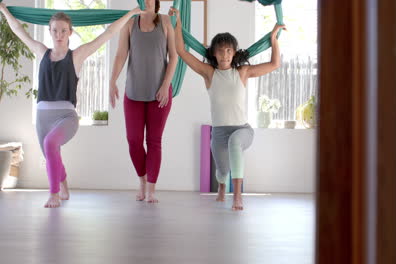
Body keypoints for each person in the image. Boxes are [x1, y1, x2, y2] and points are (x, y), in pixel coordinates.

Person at [0, 2, 142, 208]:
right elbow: (18, 31)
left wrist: (132, 13)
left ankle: (54, 194)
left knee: (50, 145)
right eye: (55, 30)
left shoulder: (77, 55)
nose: (59, 35)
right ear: (49, 32)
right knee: (52, 155)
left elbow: (108, 33)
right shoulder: (41, 52)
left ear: (70, 32)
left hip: (66, 117)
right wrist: (3, 10)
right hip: (42, 117)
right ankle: (64, 186)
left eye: (63, 31)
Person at [169, 7, 285, 211]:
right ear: (214, 53)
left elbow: (275, 64)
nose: (225, 54)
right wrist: (177, 21)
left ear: (234, 52)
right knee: (222, 170)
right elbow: (181, 51)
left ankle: (238, 196)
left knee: (235, 143)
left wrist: (274, 38)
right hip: (219, 132)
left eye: (229, 50)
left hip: (242, 130)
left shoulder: (243, 72)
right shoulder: (209, 73)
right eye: (221, 50)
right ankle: (222, 187)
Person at [109, 0, 177, 203]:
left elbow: (173, 57)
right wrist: (112, 81)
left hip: (160, 95)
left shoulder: (165, 22)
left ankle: (151, 190)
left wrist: (165, 85)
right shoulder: (130, 24)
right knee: (134, 141)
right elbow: (121, 55)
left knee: (154, 142)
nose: (147, 1)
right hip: (133, 93)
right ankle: (142, 179)